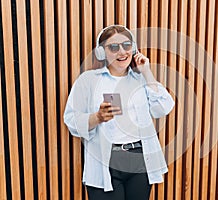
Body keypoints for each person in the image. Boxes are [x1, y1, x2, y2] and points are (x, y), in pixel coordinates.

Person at [64, 25, 175, 200]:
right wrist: (97, 117)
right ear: (101, 52)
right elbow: (71, 120)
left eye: (126, 45)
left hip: (139, 160)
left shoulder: (141, 79)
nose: (122, 52)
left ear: (134, 48)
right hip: (105, 161)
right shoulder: (88, 80)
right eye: (113, 47)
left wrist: (147, 73)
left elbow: (164, 107)